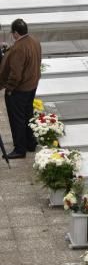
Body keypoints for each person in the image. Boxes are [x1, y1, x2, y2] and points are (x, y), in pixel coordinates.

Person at [0, 18, 41, 159]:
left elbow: (15, 74)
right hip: (31, 86)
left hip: (19, 90)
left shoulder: (18, 48)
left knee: (16, 119)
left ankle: (19, 149)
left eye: (12, 33)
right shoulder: (34, 41)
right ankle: (30, 143)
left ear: (16, 33)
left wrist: (9, 89)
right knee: (27, 115)